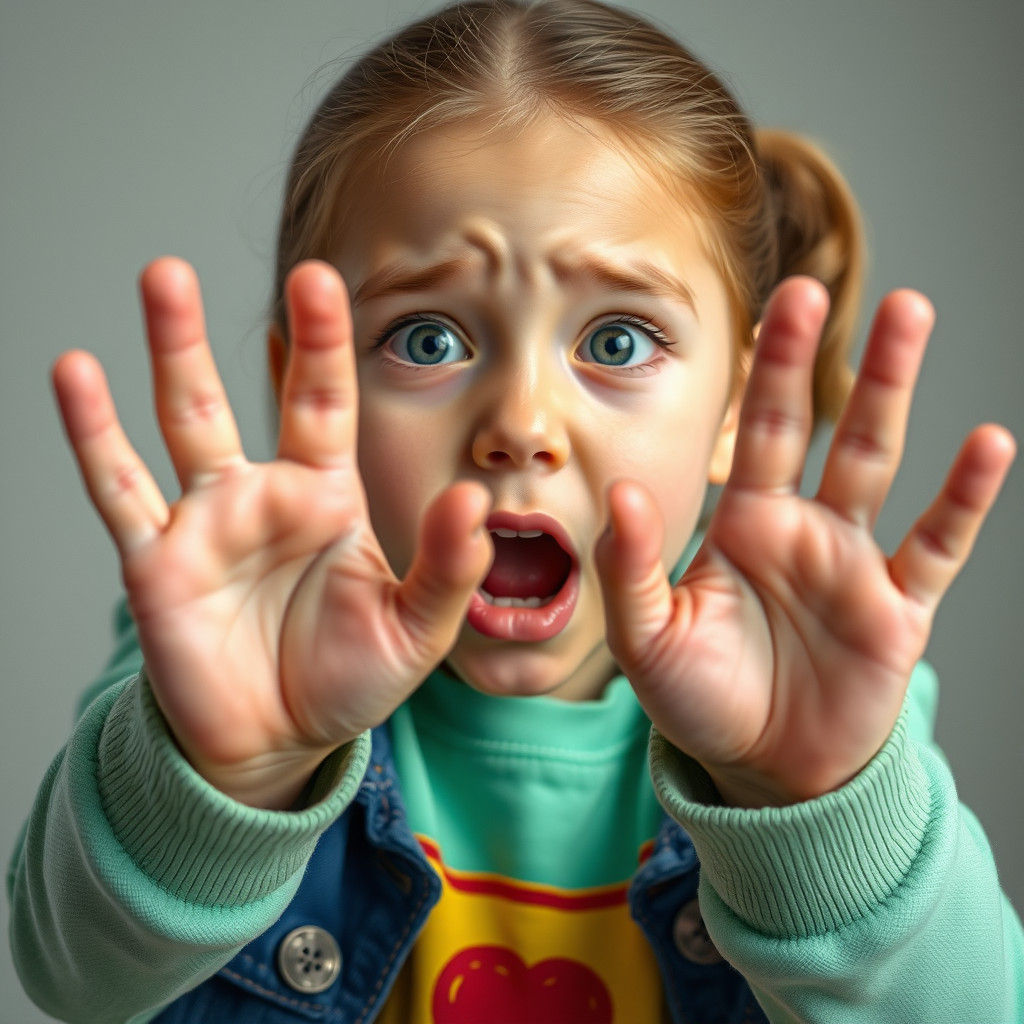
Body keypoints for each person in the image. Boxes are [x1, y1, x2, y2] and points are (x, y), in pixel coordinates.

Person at [8, 0, 1023, 1020]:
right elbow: (72, 976)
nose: (521, 423)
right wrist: (228, 775)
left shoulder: (812, 699)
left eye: (618, 341)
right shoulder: (230, 663)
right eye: (429, 340)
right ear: (309, 390)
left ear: (739, 406)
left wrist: (812, 810)